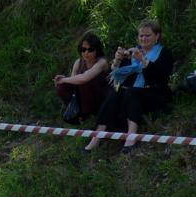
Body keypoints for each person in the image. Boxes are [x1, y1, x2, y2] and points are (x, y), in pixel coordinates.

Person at [84, 20, 174, 154]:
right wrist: (118, 59)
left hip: (155, 93)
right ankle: (96, 138)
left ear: (157, 36)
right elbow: (117, 73)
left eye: (147, 35)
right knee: (115, 93)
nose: (144, 39)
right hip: (132, 94)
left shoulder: (165, 53)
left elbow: (161, 77)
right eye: (141, 36)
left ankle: (131, 138)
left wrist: (143, 60)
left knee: (131, 92)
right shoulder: (133, 52)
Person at [55, 33, 111, 122]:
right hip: (83, 98)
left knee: (83, 83)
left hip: (100, 98)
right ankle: (76, 110)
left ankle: (88, 113)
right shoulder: (78, 62)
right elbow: (74, 82)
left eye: (90, 50)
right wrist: (64, 80)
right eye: (83, 49)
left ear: (97, 50)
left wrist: (64, 80)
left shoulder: (102, 62)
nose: (86, 53)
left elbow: (85, 78)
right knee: (62, 86)